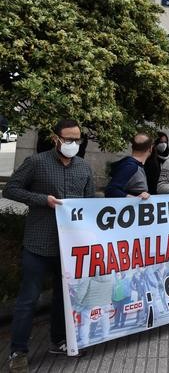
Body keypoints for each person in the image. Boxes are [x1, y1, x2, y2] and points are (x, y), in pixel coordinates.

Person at [5, 119, 95, 370]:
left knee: (64, 297)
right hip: (38, 243)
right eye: (68, 139)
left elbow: (88, 205)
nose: (73, 144)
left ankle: (59, 341)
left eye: (77, 139)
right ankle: (18, 352)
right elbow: (11, 190)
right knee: (28, 299)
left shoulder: (84, 168)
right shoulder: (36, 162)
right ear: (55, 138)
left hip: (69, 247)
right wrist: (42, 200)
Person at [105, 133, 153, 199]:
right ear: (150, 149)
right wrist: (135, 198)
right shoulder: (131, 167)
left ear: (132, 147)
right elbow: (111, 190)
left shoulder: (133, 165)